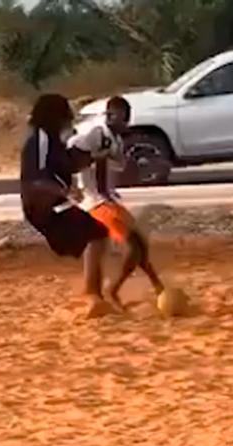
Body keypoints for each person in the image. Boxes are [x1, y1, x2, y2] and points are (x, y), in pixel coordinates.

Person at [68, 96, 165, 309]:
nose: (122, 123)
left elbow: (113, 165)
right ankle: (105, 293)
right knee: (129, 243)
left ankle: (117, 290)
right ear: (109, 116)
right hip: (94, 201)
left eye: (124, 119)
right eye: (117, 117)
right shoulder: (97, 134)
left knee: (138, 243)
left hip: (106, 199)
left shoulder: (115, 140)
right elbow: (71, 156)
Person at [20, 93, 112, 317]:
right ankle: (92, 296)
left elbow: (67, 165)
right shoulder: (40, 139)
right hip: (44, 204)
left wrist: (94, 156)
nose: (68, 122)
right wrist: (64, 191)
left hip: (52, 203)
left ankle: (94, 295)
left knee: (96, 236)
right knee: (96, 235)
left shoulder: (51, 141)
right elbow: (36, 178)